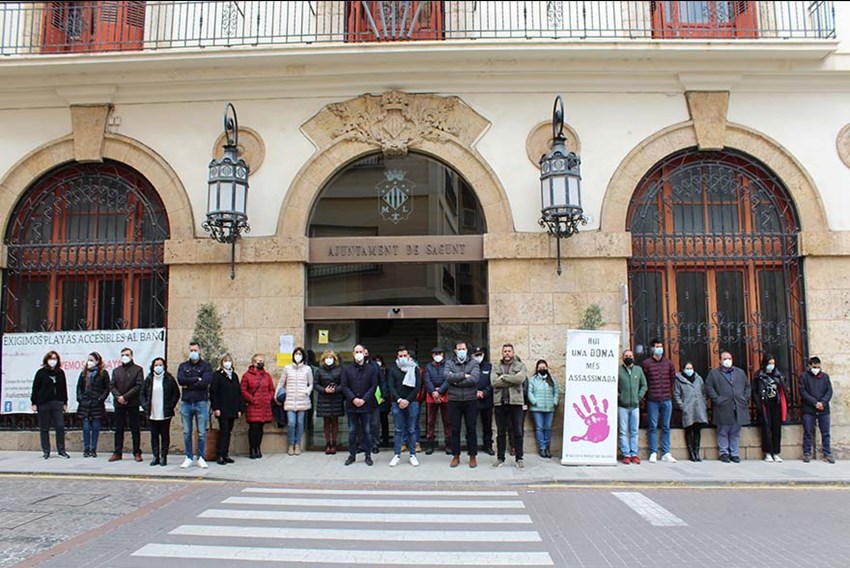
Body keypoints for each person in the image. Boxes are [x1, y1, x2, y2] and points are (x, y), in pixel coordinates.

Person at [705, 351, 751, 463]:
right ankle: (724, 453)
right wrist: (716, 399)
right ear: (720, 361)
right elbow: (709, 387)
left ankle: (734, 453)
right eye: (725, 359)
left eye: (729, 358)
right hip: (723, 407)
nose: (728, 361)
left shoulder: (740, 372)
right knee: (723, 431)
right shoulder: (714, 374)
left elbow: (747, 387)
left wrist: (745, 398)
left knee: (736, 432)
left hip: (738, 406)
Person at [176, 341, 213, 469]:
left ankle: (201, 457)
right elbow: (181, 380)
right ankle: (189, 457)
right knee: (187, 432)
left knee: (202, 432)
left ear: (200, 351)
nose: (193, 353)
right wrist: (196, 379)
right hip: (186, 402)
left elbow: (205, 382)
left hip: (201, 402)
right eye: (191, 350)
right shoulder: (183, 366)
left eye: (195, 350)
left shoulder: (206, 366)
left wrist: (189, 385)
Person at [491, 344, 527, 469]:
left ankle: (519, 458)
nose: (507, 353)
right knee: (501, 432)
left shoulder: (520, 365)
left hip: (515, 403)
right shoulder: (496, 366)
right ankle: (500, 458)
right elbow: (494, 382)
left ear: (513, 352)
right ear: (502, 353)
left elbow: (520, 379)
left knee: (518, 431)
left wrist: (503, 377)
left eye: (509, 351)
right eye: (505, 351)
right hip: (500, 403)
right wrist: (513, 379)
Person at [641, 338, 677, 463]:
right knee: (652, 427)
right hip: (652, 400)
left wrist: (669, 392)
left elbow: (672, 379)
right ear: (652, 348)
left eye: (660, 346)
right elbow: (644, 381)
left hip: (666, 399)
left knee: (666, 426)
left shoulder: (669, 363)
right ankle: (653, 452)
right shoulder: (646, 364)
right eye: (657, 346)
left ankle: (666, 452)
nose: (659, 349)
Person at [341, 344, 378, 466]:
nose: (358, 354)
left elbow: (373, 386)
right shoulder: (347, 369)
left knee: (367, 431)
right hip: (352, 406)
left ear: (364, 352)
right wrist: (353, 399)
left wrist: (364, 399)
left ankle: (368, 455)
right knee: (352, 431)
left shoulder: (371, 369)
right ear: (353, 354)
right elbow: (344, 386)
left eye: (360, 351)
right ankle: (352, 455)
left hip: (366, 406)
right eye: (356, 352)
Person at [446, 341, 480, 468]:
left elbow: (474, 379)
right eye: (459, 349)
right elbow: (447, 377)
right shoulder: (449, 363)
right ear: (455, 351)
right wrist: (464, 375)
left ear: (467, 350)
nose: (461, 351)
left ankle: (472, 456)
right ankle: (456, 456)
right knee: (455, 429)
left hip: (470, 400)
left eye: (463, 349)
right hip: (454, 400)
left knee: (471, 428)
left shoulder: (474, 363)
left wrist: (456, 381)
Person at [140, 357, 179, 466]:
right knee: (154, 435)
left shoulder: (169, 379)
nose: (158, 367)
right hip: (152, 413)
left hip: (165, 413)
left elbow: (176, 394)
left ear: (164, 366)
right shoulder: (149, 379)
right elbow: (142, 394)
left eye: (160, 365)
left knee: (165, 435)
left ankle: (163, 456)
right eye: (156, 365)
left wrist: (170, 406)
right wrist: (145, 406)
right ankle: (155, 456)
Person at [388, 345, 422, 467]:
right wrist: (399, 400)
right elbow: (391, 386)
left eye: (405, 355)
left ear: (409, 356)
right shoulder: (393, 370)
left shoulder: (414, 368)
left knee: (412, 429)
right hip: (397, 403)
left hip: (412, 403)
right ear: (397, 357)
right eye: (400, 356)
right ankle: (397, 455)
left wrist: (407, 400)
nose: (403, 357)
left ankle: (412, 455)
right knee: (398, 430)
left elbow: (417, 387)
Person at [109, 347, 144, 463]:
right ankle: (117, 452)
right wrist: (119, 397)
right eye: (123, 355)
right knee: (118, 429)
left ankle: (137, 452)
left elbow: (138, 385)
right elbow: (112, 385)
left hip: (132, 403)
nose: (125, 357)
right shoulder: (116, 371)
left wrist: (125, 397)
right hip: (119, 404)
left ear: (132, 356)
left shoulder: (138, 369)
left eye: (127, 355)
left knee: (135, 429)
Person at [31, 350, 68, 459]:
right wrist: (34, 402)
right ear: (46, 360)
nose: (53, 361)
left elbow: (64, 388)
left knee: (60, 426)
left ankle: (61, 451)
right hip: (43, 403)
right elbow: (35, 388)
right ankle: (46, 451)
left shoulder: (60, 373)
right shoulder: (40, 373)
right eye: (51, 358)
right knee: (44, 428)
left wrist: (65, 402)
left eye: (55, 359)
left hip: (57, 402)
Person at [753, 354, 788, 463]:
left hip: (776, 404)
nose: (771, 365)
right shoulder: (759, 376)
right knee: (766, 429)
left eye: (773, 363)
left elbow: (783, 388)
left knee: (776, 429)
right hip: (765, 404)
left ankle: (776, 452)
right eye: (769, 363)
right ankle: (768, 453)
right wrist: (758, 404)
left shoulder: (778, 375)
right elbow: (755, 391)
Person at [799, 356, 835, 464]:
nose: (816, 369)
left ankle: (827, 453)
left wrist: (822, 402)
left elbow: (829, 391)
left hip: (823, 409)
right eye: (814, 367)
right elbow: (803, 392)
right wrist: (815, 402)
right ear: (809, 366)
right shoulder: (803, 377)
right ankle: (807, 453)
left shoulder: (825, 377)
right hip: (809, 409)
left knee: (826, 432)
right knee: (808, 431)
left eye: (818, 367)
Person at [210, 354, 244, 465]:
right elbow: (213, 392)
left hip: (232, 408)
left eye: (229, 360)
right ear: (222, 362)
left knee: (228, 432)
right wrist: (216, 407)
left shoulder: (234, 375)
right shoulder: (217, 375)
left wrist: (239, 409)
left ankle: (226, 454)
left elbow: (238, 393)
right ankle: (220, 454)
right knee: (223, 431)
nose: (227, 362)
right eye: (225, 360)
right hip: (222, 408)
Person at [241, 353, 275, 459]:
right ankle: (252, 448)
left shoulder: (267, 376)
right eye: (259, 361)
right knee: (254, 427)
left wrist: (269, 398)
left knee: (260, 427)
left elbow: (272, 389)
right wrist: (252, 399)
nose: (261, 362)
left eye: (262, 361)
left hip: (264, 405)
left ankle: (258, 448)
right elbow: (243, 390)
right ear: (253, 362)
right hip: (253, 405)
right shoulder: (247, 376)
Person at [75, 351, 109, 458]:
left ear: (97, 361)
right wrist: (80, 398)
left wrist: (100, 399)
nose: (89, 362)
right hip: (85, 403)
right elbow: (79, 387)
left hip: (96, 404)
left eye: (92, 360)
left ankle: (93, 449)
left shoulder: (103, 373)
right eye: (88, 360)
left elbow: (107, 388)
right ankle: (86, 449)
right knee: (86, 427)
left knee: (95, 427)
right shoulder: (84, 373)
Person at [673, 360, 708, 462]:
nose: (689, 370)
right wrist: (682, 406)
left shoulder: (698, 379)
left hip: (698, 408)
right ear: (683, 369)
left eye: (691, 368)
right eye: (687, 368)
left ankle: (697, 452)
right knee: (689, 430)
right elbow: (676, 394)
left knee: (697, 430)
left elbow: (703, 392)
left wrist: (703, 402)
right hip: (687, 409)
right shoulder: (679, 380)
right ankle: (691, 453)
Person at [617, 349, 647, 465]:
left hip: (635, 406)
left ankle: (634, 454)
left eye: (630, 355)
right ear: (622, 358)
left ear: (633, 357)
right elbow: (614, 385)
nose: (628, 357)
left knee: (634, 431)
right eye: (626, 356)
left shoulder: (638, 370)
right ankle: (626, 454)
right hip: (622, 406)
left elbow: (644, 385)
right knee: (623, 431)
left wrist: (638, 397)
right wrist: (620, 397)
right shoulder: (619, 371)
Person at [282, 346, 313, 456]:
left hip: (302, 400)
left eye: (300, 354)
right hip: (290, 400)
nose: (298, 356)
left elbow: (311, 383)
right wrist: (277, 395)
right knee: (291, 423)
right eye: (296, 354)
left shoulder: (307, 369)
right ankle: (291, 444)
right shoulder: (287, 368)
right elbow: (281, 382)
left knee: (300, 423)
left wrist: (307, 391)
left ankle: (297, 444)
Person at [528, 359, 559, 459]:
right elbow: (529, 392)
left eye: (544, 367)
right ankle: (542, 448)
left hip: (549, 408)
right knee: (539, 428)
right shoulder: (533, 380)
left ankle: (547, 448)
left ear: (547, 368)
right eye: (540, 367)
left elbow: (556, 391)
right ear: (537, 369)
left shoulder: (552, 380)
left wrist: (554, 401)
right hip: (537, 409)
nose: (542, 369)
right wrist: (534, 401)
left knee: (548, 428)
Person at [315, 349, 344, 455]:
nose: (328, 359)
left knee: (335, 422)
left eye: (330, 357)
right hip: (324, 399)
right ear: (323, 359)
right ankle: (328, 444)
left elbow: (343, 384)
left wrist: (335, 389)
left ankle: (334, 444)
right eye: (326, 358)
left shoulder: (340, 370)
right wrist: (324, 390)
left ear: (334, 359)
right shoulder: (319, 371)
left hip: (336, 398)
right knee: (326, 422)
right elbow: (316, 384)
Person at [424, 346, 451, 455]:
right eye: (435, 354)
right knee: (430, 421)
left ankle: (448, 445)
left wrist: (439, 392)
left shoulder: (448, 365)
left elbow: (448, 380)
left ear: (443, 355)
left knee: (447, 421)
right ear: (432, 355)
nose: (438, 355)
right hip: (431, 395)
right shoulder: (428, 366)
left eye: (440, 353)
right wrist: (433, 392)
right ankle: (430, 445)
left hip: (445, 394)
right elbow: (427, 380)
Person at [473, 346, 494, 456]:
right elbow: (467, 381)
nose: (478, 357)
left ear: (483, 355)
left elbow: (493, 383)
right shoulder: (470, 366)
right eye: (476, 355)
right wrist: (475, 392)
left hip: (486, 400)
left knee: (487, 425)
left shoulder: (489, 367)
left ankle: (488, 446)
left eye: (480, 355)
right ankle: (472, 446)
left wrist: (484, 393)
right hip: (473, 400)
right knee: (471, 425)